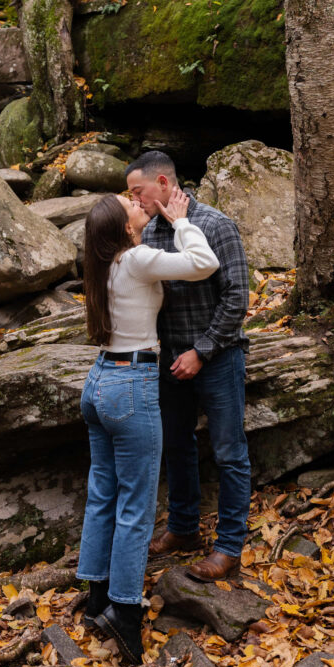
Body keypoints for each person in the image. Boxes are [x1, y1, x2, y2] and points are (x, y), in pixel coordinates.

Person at [77, 187, 219, 664]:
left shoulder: (103, 266)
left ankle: (96, 599)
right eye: (129, 205)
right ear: (123, 228)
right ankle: (123, 611)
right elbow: (203, 262)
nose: (137, 203)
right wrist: (180, 220)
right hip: (131, 385)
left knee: (103, 495)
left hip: (98, 382)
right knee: (136, 506)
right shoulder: (135, 258)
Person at [126, 150, 251, 582]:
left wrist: (202, 350)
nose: (135, 201)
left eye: (137, 192)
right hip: (168, 359)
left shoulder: (215, 225)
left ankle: (230, 547)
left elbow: (237, 298)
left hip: (218, 358)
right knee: (175, 446)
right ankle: (183, 529)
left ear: (163, 183)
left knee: (229, 452)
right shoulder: (150, 231)